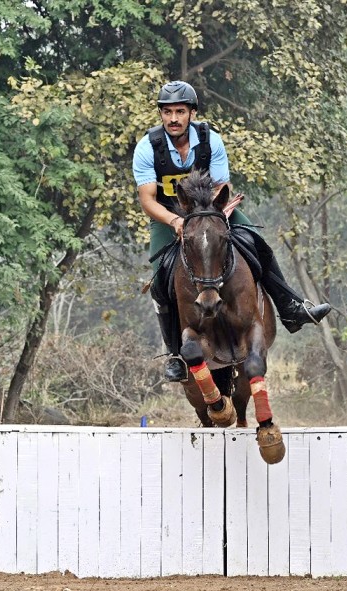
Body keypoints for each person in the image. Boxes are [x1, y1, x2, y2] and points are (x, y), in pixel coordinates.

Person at [132, 80, 332, 381]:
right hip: (169, 215)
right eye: (168, 112)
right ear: (161, 114)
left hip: (214, 208)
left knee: (256, 243)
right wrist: (176, 222)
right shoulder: (148, 147)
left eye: (180, 112)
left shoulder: (211, 140)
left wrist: (217, 215)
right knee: (161, 279)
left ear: (192, 113)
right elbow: (148, 199)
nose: (173, 118)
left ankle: (291, 307)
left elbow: (222, 187)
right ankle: (175, 353)